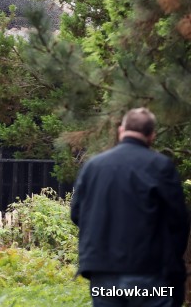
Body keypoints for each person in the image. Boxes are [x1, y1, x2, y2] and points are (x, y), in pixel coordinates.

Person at [71, 108, 190, 307]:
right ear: (151, 135)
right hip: (149, 270)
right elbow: (178, 220)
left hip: (103, 270)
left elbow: (77, 214)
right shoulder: (160, 166)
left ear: (121, 130)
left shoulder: (93, 166)